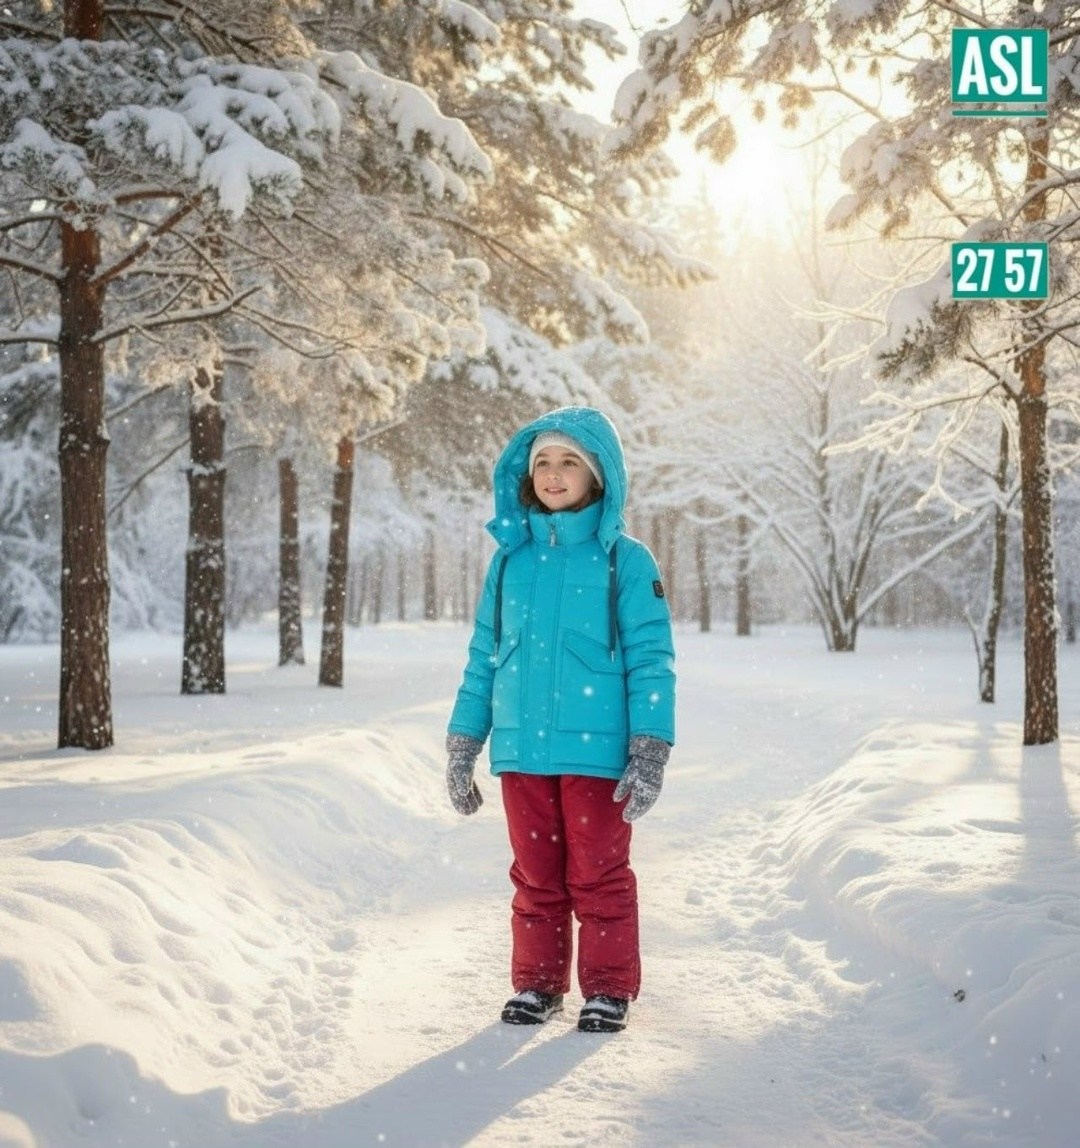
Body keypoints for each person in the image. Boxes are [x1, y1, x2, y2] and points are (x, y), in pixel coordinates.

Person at [445, 406, 676, 1034]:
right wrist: (464, 741)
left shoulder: (625, 561)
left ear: (598, 475)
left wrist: (649, 747)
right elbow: (484, 657)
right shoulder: (509, 562)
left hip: (596, 754)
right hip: (521, 750)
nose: (553, 473)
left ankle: (606, 990)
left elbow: (653, 658)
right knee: (536, 876)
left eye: (569, 460)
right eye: (542, 461)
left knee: (599, 874)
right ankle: (538, 986)